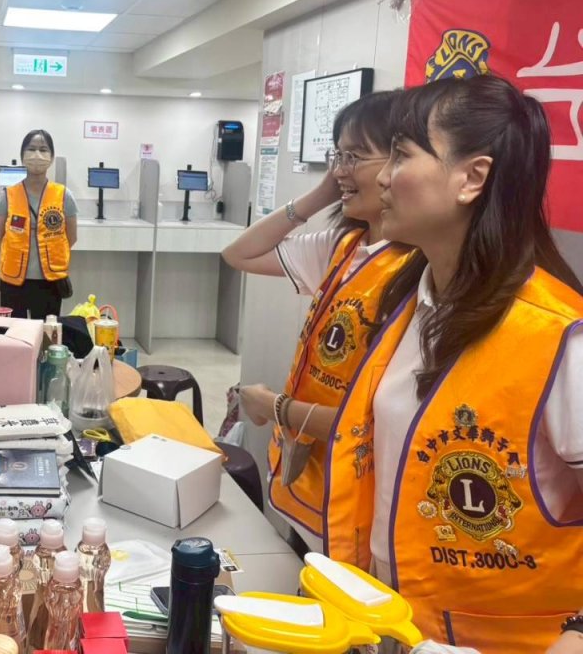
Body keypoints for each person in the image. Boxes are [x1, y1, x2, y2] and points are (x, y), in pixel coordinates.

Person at [325, 74, 583, 651]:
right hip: (389, 621)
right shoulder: (409, 301)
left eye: (402, 154)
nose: (383, 177)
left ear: (472, 178)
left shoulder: (558, 336)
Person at [220, 91, 411, 553]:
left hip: (360, 499)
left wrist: (276, 406)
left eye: (355, 156)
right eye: (337, 156)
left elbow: (378, 421)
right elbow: (239, 253)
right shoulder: (342, 246)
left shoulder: (418, 269)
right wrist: (323, 193)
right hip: (308, 477)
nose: (341, 169)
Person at [0, 129, 77, 318]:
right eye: (31, 149)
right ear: (22, 156)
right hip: (13, 280)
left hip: (50, 280)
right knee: (15, 331)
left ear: (52, 158)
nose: (37, 155)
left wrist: (50, 254)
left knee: (46, 332)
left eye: (43, 149)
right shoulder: (8, 195)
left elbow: (71, 237)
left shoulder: (64, 195)